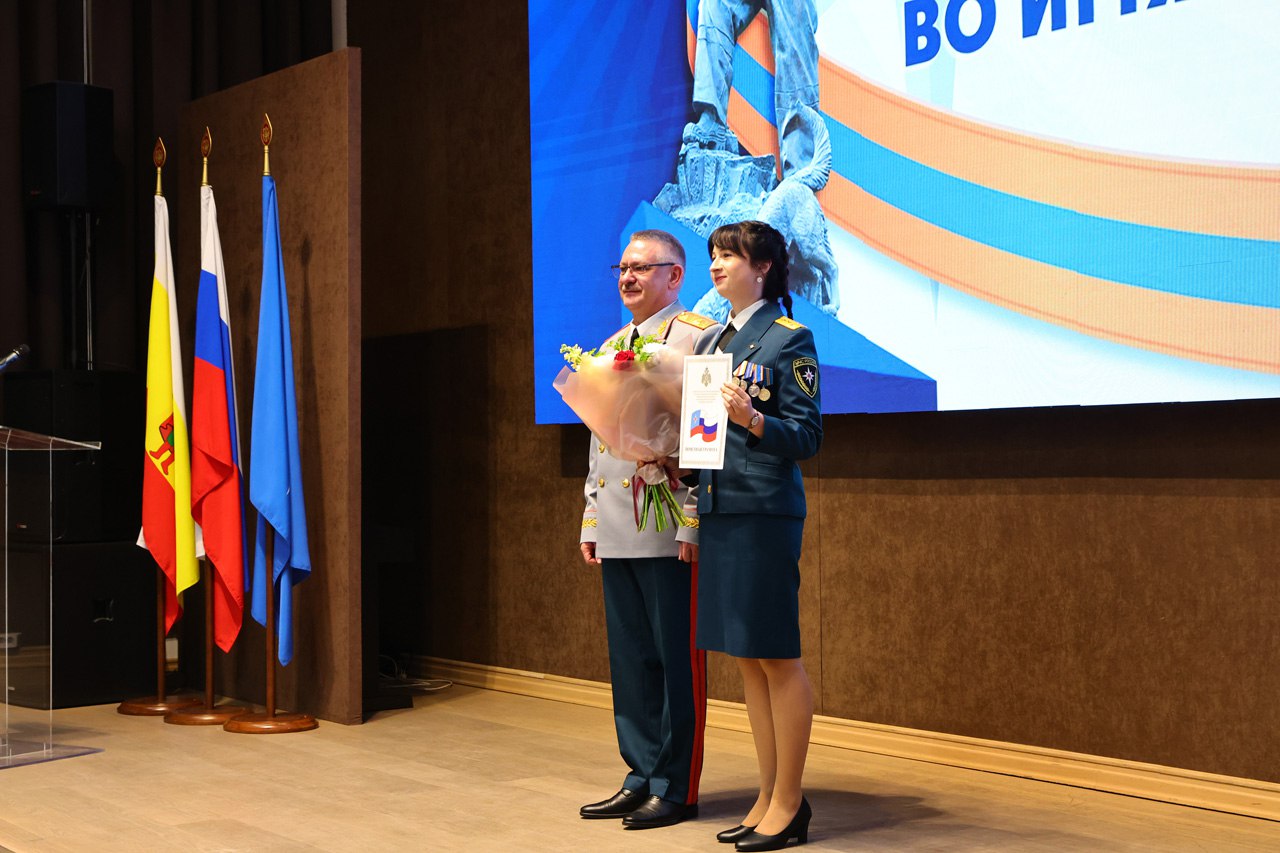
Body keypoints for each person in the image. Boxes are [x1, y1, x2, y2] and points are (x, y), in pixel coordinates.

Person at [578, 229, 723, 830]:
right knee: (631, 659)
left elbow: (707, 439)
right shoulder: (611, 346)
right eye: (622, 268)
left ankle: (675, 785)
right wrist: (591, 516)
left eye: (641, 268)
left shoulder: (701, 335)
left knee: (674, 659)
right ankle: (638, 774)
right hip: (619, 522)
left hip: (668, 524)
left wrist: (692, 522)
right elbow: (599, 440)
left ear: (674, 276)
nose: (628, 277)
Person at [695, 220, 822, 851]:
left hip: (764, 514)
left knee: (776, 654)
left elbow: (808, 436)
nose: (716, 265)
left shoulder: (789, 339)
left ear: (763, 266)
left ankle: (791, 802)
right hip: (720, 508)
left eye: (729, 255)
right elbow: (702, 430)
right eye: (713, 255)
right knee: (747, 657)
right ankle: (766, 793)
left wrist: (753, 419)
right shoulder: (712, 339)